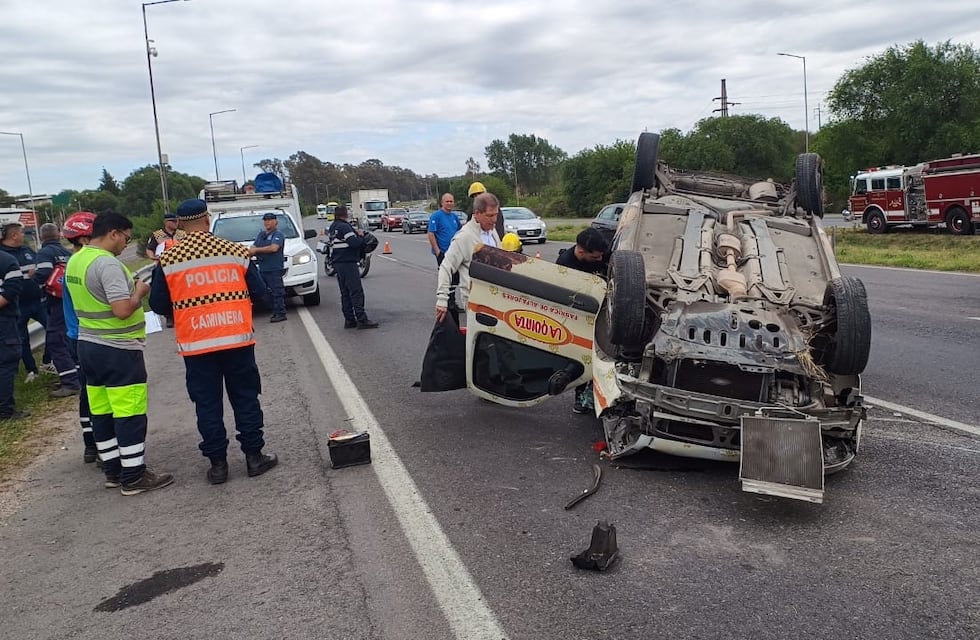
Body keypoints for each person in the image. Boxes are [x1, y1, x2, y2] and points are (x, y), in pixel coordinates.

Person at [149, 198, 278, 485]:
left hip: (197, 344)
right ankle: (254, 458)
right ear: (207, 219)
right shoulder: (235, 251)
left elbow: (158, 304)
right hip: (237, 340)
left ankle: (218, 466)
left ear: (180, 225)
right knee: (245, 398)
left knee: (207, 405)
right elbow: (261, 293)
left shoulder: (168, 260)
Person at [64, 211, 173, 495]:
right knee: (129, 413)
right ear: (113, 233)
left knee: (102, 412)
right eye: (125, 237)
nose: (126, 243)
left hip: (88, 346)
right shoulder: (107, 264)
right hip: (118, 348)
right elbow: (122, 310)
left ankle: (112, 471)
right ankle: (134, 475)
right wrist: (140, 292)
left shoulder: (76, 260)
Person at [556, 227, 610, 414]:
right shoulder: (565, 266)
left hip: (606, 313)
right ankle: (581, 398)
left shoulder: (602, 250)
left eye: (602, 256)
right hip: (579, 317)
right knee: (582, 356)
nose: (601, 260)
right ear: (580, 252)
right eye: (595, 258)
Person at [61, 212, 97, 463]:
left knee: (87, 391)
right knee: (98, 392)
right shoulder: (87, 265)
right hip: (90, 335)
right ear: (84, 239)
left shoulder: (70, 265)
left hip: (75, 335)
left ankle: (90, 444)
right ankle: (102, 442)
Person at [435, 192, 501, 324]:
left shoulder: (492, 231)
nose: (494, 220)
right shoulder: (464, 237)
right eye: (489, 215)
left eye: (496, 215)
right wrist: (442, 299)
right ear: (477, 213)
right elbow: (446, 267)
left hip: (496, 299)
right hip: (476, 303)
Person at [33, 223, 81, 398]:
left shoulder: (45, 253)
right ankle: (77, 375)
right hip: (70, 301)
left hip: (55, 302)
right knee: (68, 340)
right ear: (58, 235)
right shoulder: (68, 253)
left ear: (42, 237)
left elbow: (43, 273)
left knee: (55, 343)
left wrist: (31, 280)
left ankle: (70, 382)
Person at [0, 221, 47, 383]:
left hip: (38, 301)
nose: (23, 235)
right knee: (22, 339)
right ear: (13, 236)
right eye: (21, 232)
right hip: (18, 305)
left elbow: (39, 266)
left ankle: (48, 361)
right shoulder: (3, 256)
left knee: (53, 330)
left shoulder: (27, 250)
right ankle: (31, 370)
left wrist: (37, 272)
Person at [327, 206, 379, 329]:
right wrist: (360, 236)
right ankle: (362, 320)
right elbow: (354, 243)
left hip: (338, 263)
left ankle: (349, 320)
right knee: (356, 292)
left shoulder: (333, 227)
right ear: (345, 214)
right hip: (348, 262)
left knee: (345, 293)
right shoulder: (344, 227)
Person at [145, 211, 186, 328]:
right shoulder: (157, 235)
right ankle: (169, 315)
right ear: (166, 222)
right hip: (163, 267)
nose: (175, 223)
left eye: (176, 221)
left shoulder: (182, 234)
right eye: (172, 221)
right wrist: (153, 257)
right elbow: (150, 249)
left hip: (180, 266)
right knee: (166, 292)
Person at [427, 193, 463, 321]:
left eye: (451, 201)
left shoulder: (454, 217)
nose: (449, 203)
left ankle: (452, 301)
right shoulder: (436, 216)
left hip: (455, 253)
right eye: (447, 201)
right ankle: (448, 303)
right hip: (443, 253)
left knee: (455, 278)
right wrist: (438, 252)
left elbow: (460, 231)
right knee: (447, 278)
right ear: (442, 203)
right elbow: (431, 234)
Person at [0, 246, 26, 420]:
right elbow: (10, 292)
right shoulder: (6, 261)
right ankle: (5, 410)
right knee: (6, 362)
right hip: (4, 322)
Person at [248, 212, 287, 323]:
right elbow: (253, 247)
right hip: (262, 268)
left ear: (276, 222)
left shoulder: (278, 234)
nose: (267, 222)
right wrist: (250, 251)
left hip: (274, 268)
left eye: (270, 220)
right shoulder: (261, 235)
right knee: (263, 292)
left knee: (277, 292)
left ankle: (280, 312)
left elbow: (274, 248)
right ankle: (274, 310)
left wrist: (256, 250)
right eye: (265, 220)